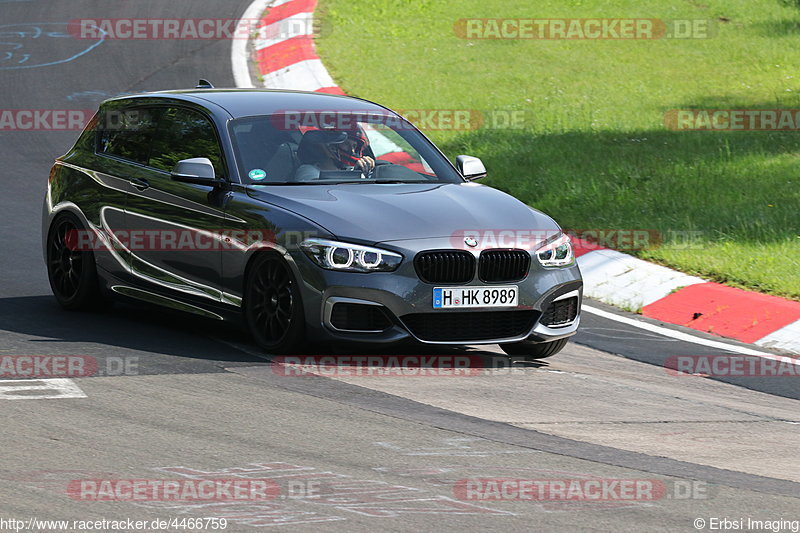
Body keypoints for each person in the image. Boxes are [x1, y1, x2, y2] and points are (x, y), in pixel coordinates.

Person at [294, 125, 375, 181]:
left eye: (354, 146)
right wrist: (353, 176)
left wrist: (364, 172)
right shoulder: (308, 170)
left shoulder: (350, 169)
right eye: (346, 144)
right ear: (330, 147)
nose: (352, 151)